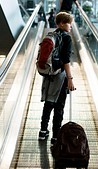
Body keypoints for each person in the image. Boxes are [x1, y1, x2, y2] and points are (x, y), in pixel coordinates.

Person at [38, 12, 75, 146]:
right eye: (69, 23)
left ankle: (43, 131)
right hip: (60, 75)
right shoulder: (66, 38)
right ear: (61, 23)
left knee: (48, 103)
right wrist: (70, 78)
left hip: (49, 73)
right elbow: (66, 60)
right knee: (59, 106)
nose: (71, 26)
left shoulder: (51, 35)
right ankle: (55, 137)